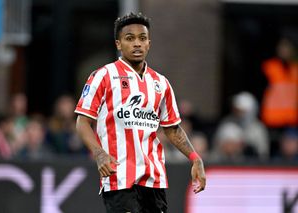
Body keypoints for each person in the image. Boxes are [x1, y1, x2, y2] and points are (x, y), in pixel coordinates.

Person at [75, 13, 206, 213]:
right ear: (119, 44)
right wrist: (99, 153)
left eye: (142, 38)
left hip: (154, 178)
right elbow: (82, 121)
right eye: (130, 38)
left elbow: (172, 128)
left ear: (149, 44)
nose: (137, 43)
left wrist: (195, 157)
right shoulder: (103, 76)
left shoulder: (161, 83)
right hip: (119, 177)